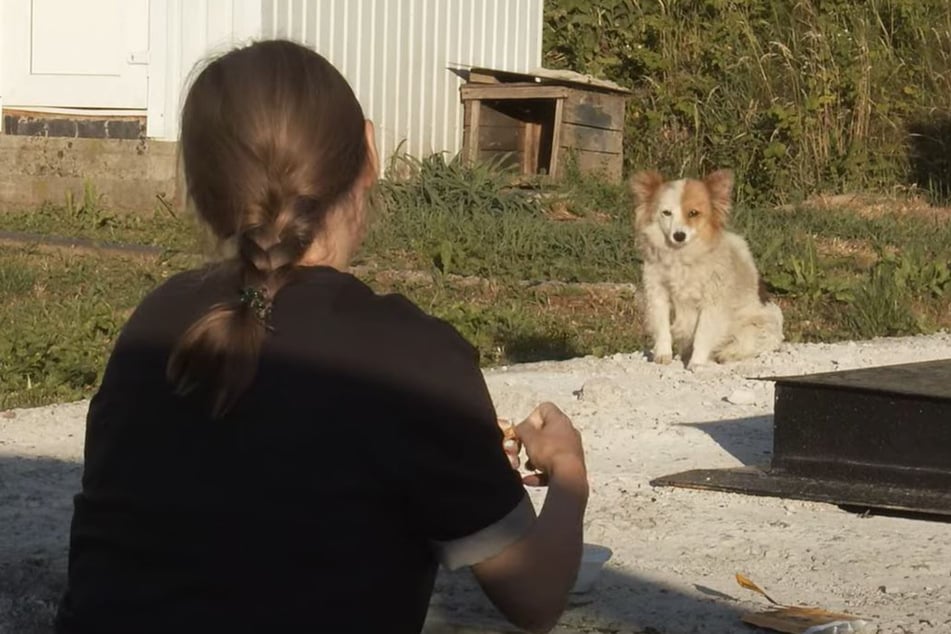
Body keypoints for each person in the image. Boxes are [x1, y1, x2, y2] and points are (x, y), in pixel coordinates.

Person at [54, 39, 588, 634]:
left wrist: (457, 442)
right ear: (369, 151)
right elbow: (535, 596)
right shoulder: (411, 359)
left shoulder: (152, 324)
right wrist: (567, 473)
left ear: (201, 191)